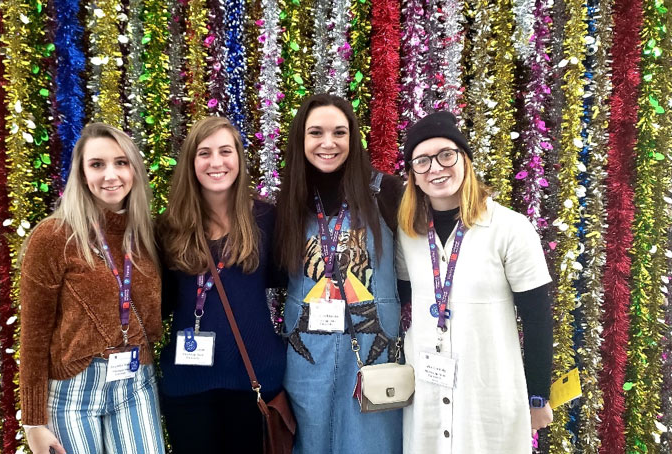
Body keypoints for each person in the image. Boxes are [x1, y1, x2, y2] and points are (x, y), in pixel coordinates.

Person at [396, 111, 554, 453]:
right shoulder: (408, 234)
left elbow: (538, 319)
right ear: (413, 176)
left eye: (446, 155)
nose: (436, 168)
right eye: (422, 161)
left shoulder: (510, 228)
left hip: (488, 396)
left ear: (464, 160)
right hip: (425, 396)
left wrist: (538, 395)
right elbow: (399, 297)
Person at [19, 123, 165, 454]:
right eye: (97, 164)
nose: (110, 175)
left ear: (134, 170)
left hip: (135, 383)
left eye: (121, 162)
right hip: (73, 392)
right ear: (82, 174)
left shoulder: (146, 235)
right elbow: (34, 335)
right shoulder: (54, 237)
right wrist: (33, 422)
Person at [275, 93, 404, 454]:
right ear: (301, 139)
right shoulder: (289, 202)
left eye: (339, 132)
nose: (328, 143)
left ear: (354, 137)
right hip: (307, 360)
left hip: (373, 356)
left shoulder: (387, 193)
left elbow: (410, 277)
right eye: (316, 132)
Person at [157, 116, 286, 454]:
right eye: (205, 153)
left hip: (254, 381)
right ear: (191, 162)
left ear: (239, 159)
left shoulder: (266, 219)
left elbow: (283, 280)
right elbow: (162, 304)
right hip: (188, 389)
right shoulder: (168, 228)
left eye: (225, 151)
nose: (216, 162)